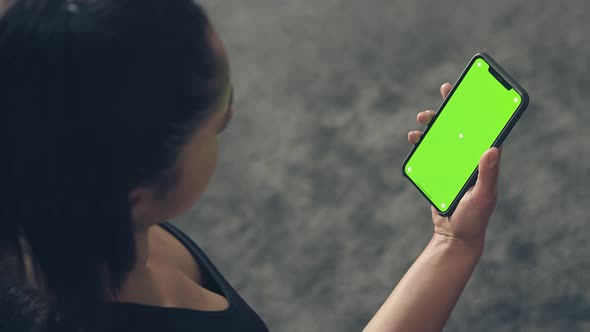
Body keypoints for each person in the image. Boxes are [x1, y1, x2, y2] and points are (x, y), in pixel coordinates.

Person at [0, 0, 503, 331]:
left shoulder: (67, 191)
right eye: (218, 120)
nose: (233, 113)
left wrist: (452, 243)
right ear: (135, 190)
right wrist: (455, 246)